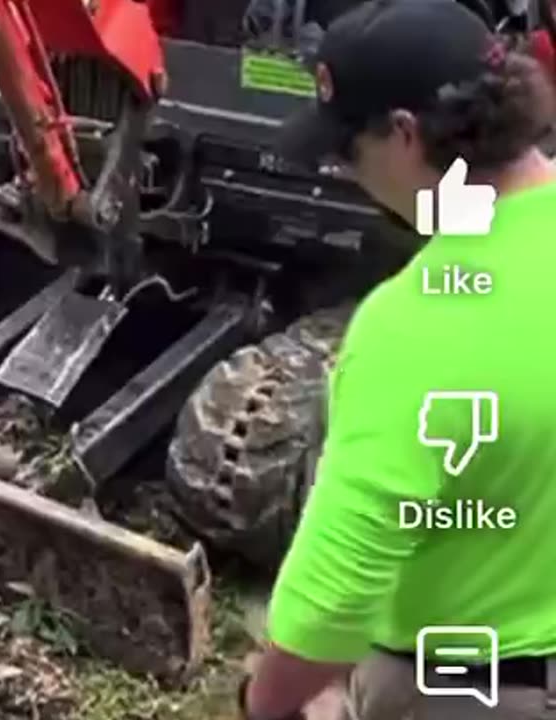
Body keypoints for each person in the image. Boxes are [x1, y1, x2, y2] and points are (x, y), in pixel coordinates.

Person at [238, 0, 556, 718]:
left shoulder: (414, 325)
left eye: (346, 152)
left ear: (406, 136)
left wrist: (263, 701)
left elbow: (338, 596)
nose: (347, 175)